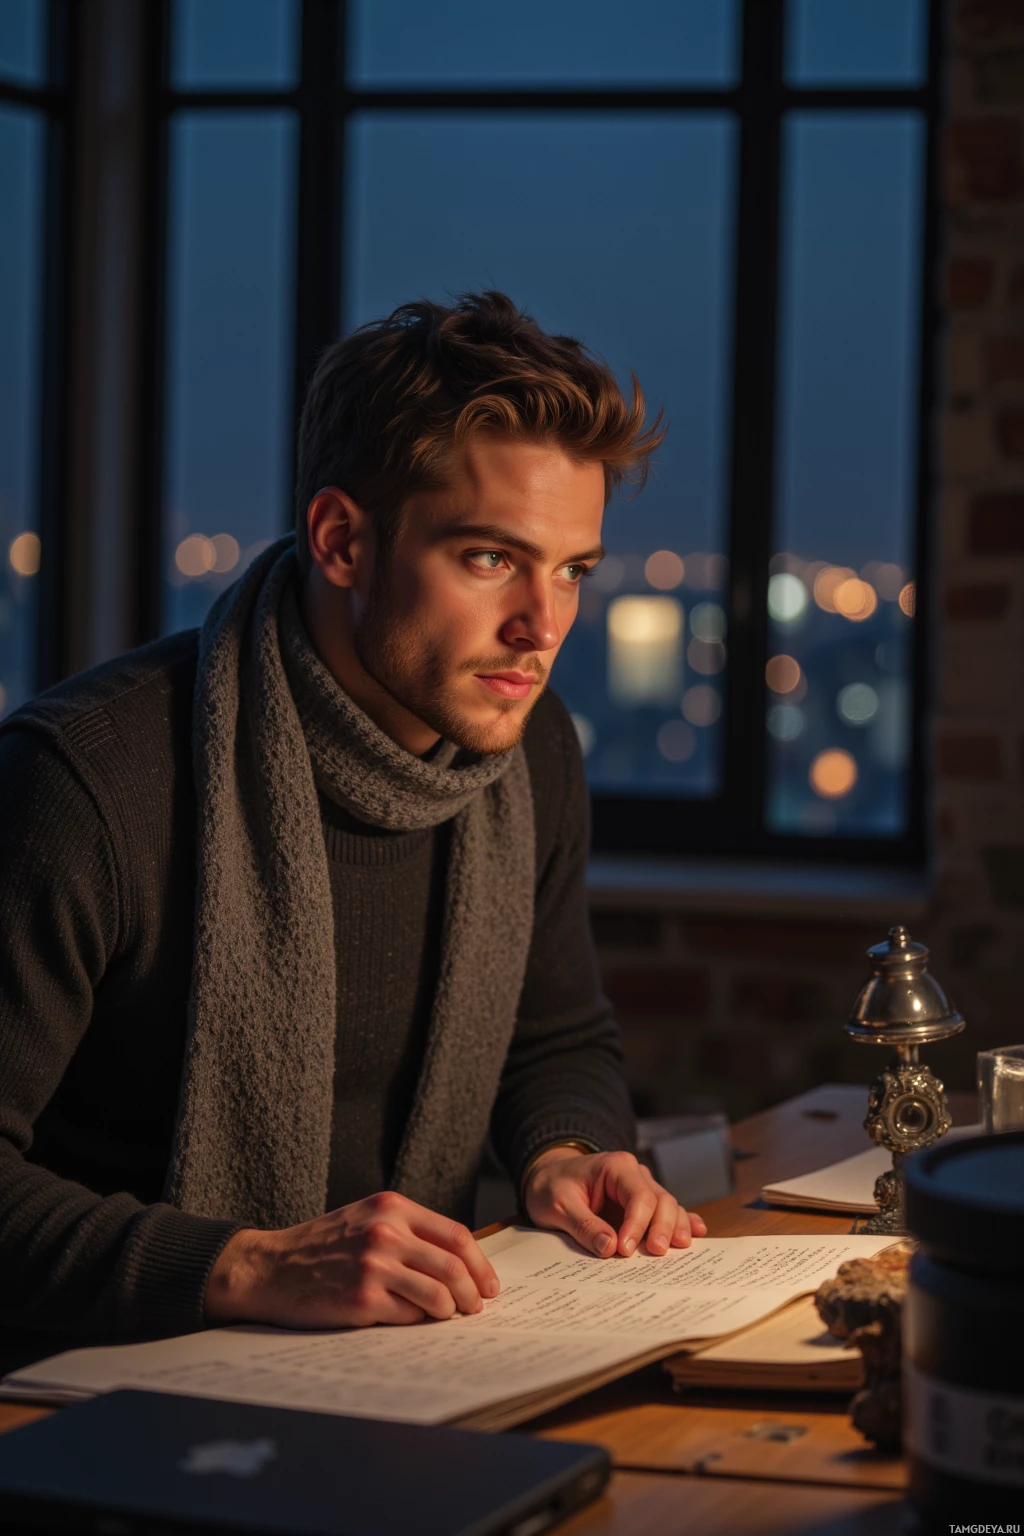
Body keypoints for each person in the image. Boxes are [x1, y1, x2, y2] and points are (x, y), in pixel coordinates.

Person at [0, 291, 705, 1360]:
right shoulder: (86, 781)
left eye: (571, 570)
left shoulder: (529, 751)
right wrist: (246, 1264)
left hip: (404, 1374)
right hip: (91, 1405)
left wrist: (565, 1150)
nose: (544, 626)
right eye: (488, 559)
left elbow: (553, 1035)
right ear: (340, 540)